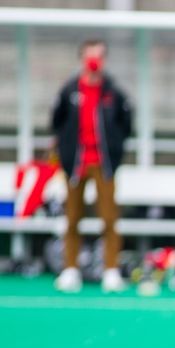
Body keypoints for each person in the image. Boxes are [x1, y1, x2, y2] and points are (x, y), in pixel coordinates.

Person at [51, 38, 133, 293]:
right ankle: (70, 269)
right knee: (72, 217)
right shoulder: (69, 90)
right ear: (82, 58)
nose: (94, 60)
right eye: (90, 54)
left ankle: (110, 270)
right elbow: (57, 122)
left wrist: (115, 152)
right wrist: (65, 154)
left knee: (109, 218)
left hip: (104, 164)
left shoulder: (113, 92)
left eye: (98, 55)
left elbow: (126, 124)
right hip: (76, 164)